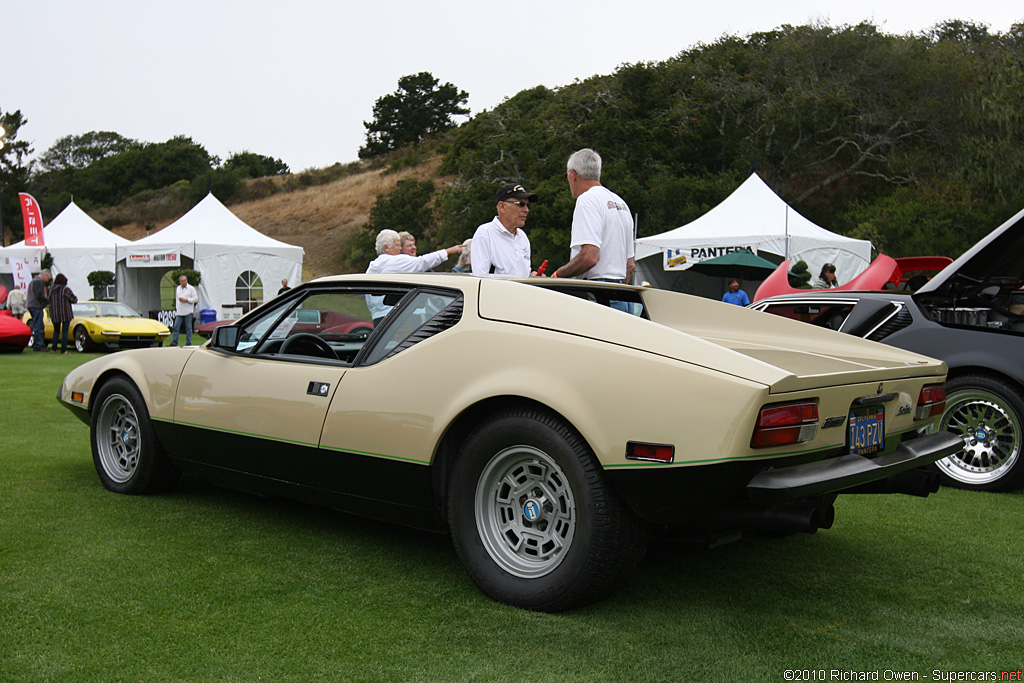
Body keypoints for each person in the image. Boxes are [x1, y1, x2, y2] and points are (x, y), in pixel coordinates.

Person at [552, 149, 635, 286]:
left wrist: (557, 275)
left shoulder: (587, 200)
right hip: (622, 291)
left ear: (573, 174)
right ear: (599, 174)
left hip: (596, 289)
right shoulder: (621, 203)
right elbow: (630, 266)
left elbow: (590, 257)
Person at [365, 229, 463, 323]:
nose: (400, 249)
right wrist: (448, 251)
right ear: (386, 247)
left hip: (377, 317)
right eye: (398, 245)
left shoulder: (372, 267)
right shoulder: (395, 261)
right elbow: (422, 262)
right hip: (397, 318)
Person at [471, 184, 537, 277]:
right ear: (502, 206)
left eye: (528, 205)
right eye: (521, 204)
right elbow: (480, 279)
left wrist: (532, 277)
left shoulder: (522, 237)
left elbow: (520, 275)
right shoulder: (485, 234)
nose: (526, 210)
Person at [47, 273, 78, 354]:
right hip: (65, 314)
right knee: (65, 332)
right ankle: (63, 350)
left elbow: (48, 300)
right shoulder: (66, 290)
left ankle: (54, 349)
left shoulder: (51, 290)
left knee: (56, 331)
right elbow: (74, 300)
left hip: (55, 314)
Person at [25, 269, 51, 352]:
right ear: (45, 275)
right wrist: (47, 301)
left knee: (37, 325)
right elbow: (39, 294)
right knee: (38, 326)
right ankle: (39, 345)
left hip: (32, 305)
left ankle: (38, 344)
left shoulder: (33, 281)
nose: (47, 281)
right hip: (36, 305)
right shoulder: (39, 281)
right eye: (48, 278)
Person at [171, 274, 199, 346]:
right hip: (179, 312)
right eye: (182, 281)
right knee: (176, 327)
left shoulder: (191, 288)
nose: (183, 282)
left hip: (188, 311)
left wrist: (187, 300)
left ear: (187, 281)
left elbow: (196, 299)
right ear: (180, 282)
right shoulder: (178, 288)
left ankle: (188, 343)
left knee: (188, 328)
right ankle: (174, 342)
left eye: (184, 281)